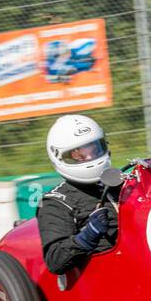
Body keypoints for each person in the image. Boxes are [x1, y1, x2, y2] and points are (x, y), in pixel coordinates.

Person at [38, 114, 118, 274]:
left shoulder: (120, 183)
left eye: (95, 150)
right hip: (104, 278)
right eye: (79, 155)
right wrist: (88, 235)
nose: (90, 157)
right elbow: (55, 261)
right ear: (60, 156)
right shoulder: (55, 203)